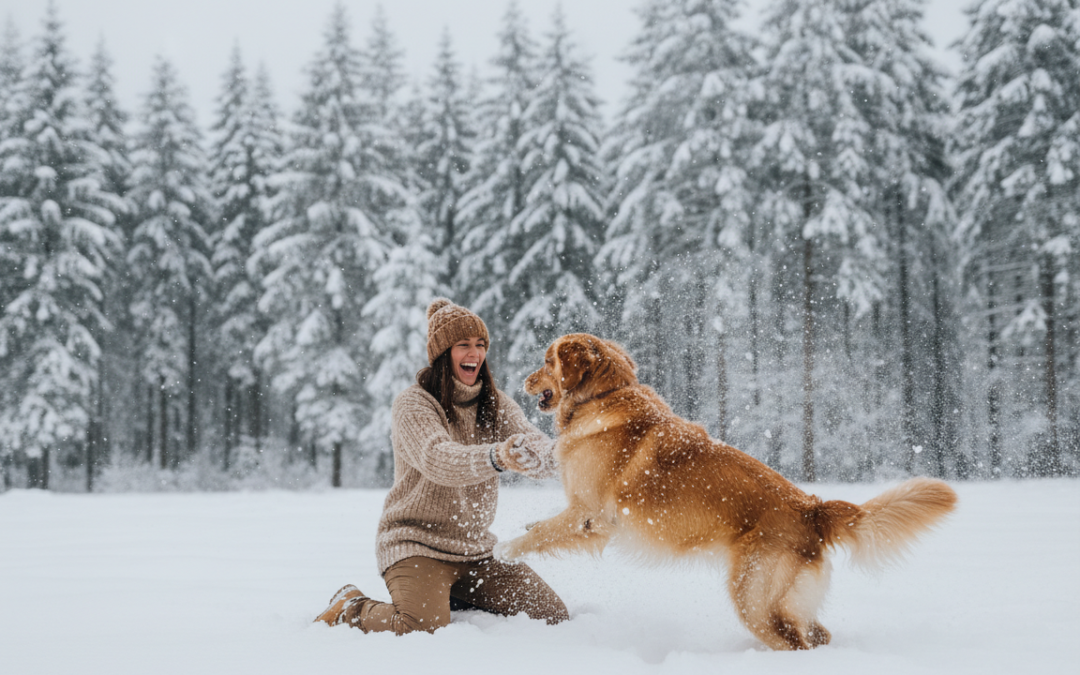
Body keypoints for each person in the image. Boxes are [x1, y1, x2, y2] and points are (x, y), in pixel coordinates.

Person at [313, 298, 569, 634]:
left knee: (551, 615)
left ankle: (447, 594)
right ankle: (351, 607)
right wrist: (498, 456)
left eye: (480, 345)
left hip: (476, 551)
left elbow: (538, 451)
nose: (474, 354)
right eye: (463, 345)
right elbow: (439, 459)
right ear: (442, 353)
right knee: (420, 626)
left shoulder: (495, 403)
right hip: (416, 544)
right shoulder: (414, 403)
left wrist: (576, 451)